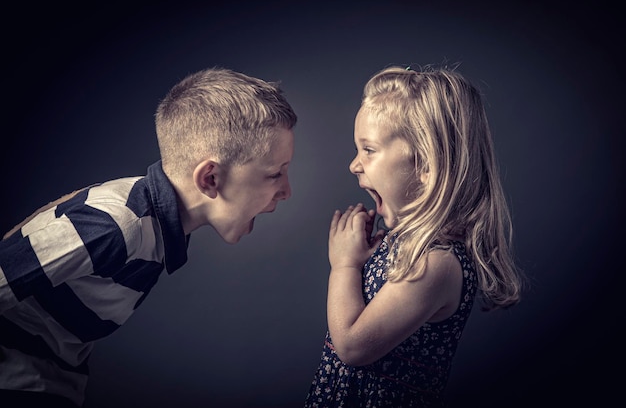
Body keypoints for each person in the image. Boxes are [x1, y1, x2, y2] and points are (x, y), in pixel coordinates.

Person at [0, 67, 297, 408]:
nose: (286, 191)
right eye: (275, 174)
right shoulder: (117, 225)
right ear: (211, 179)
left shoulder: (152, 229)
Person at [304, 65, 524, 407]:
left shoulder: (437, 262)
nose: (354, 165)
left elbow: (351, 346)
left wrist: (344, 266)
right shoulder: (403, 244)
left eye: (369, 150)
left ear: (424, 162)